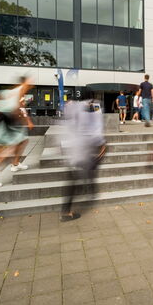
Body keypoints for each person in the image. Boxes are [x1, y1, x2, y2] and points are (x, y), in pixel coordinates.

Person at [0, 77, 33, 189]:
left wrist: (26, 120)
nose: (31, 85)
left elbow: (17, 107)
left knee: (19, 142)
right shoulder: (17, 92)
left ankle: (13, 164)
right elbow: (14, 108)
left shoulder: (14, 93)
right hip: (3, 124)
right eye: (29, 83)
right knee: (1, 153)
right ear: (23, 83)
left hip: (5, 123)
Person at [60, 92, 106, 222]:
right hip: (81, 148)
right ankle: (66, 212)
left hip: (74, 147)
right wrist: (101, 144)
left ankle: (88, 190)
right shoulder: (92, 108)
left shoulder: (75, 106)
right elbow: (96, 129)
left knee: (76, 174)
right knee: (77, 176)